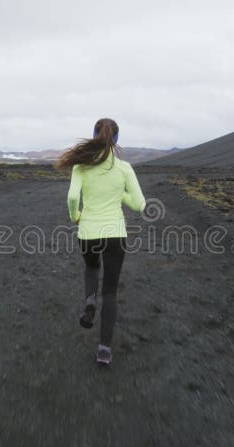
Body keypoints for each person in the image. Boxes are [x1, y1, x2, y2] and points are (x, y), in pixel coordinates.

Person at [56, 118, 146, 366]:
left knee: (92, 267)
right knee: (110, 291)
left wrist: (76, 217)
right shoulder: (125, 168)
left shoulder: (81, 167)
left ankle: (88, 303)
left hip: (88, 233)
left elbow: (73, 197)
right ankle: (104, 350)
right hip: (116, 235)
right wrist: (120, 194)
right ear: (116, 139)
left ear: (94, 135)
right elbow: (140, 205)